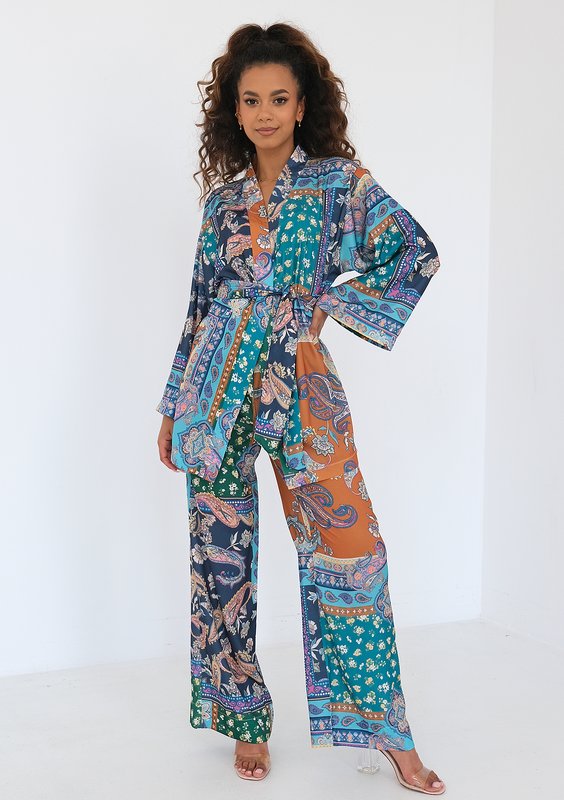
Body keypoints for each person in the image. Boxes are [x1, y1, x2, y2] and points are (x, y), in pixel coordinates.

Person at [156, 21, 445, 794]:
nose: (264, 113)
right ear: (233, 108)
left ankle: (389, 735)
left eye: (278, 98)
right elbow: (199, 307)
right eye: (250, 99)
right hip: (215, 387)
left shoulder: (340, 185)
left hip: (301, 382)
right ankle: (244, 719)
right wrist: (173, 405)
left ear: (303, 103)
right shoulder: (222, 203)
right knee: (220, 559)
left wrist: (329, 307)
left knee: (351, 549)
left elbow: (414, 252)